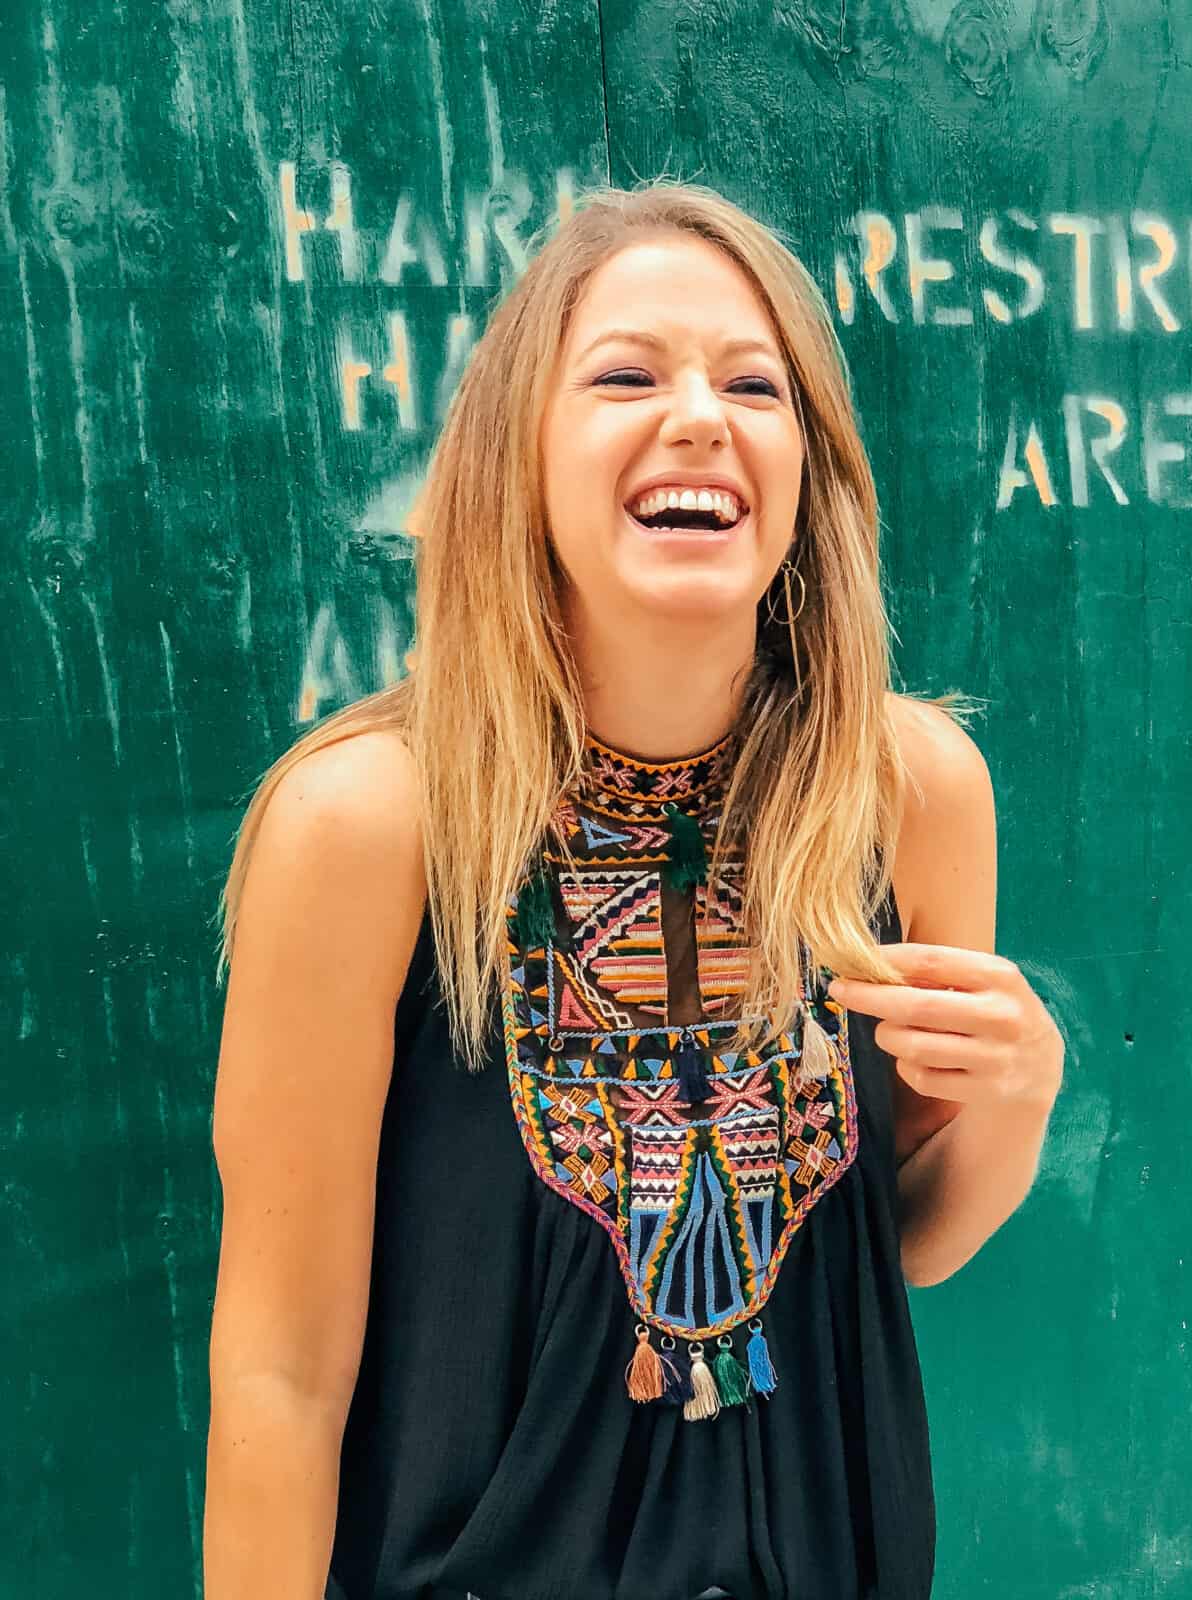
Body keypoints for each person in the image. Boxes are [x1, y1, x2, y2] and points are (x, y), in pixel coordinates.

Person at [202, 179, 994, 1600]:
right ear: (520, 458)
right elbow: (280, 1374)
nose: (699, 414)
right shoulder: (371, 826)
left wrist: (1014, 1101)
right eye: (625, 373)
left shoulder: (909, 791)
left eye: (756, 385)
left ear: (807, 469)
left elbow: (907, 1244)